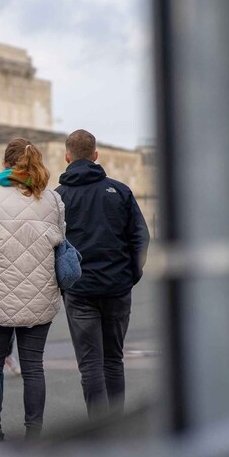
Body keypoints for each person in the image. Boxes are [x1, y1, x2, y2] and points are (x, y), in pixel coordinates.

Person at [0, 140, 66, 443]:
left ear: (5, 162)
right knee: (33, 366)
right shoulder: (51, 199)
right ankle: (34, 433)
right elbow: (60, 238)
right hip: (40, 294)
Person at [56, 130, 149, 418]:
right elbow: (141, 238)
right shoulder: (119, 191)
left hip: (80, 290)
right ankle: (117, 424)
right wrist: (130, 275)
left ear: (67, 157)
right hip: (117, 288)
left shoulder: (57, 199)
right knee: (113, 360)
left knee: (90, 365)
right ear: (96, 155)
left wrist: (64, 284)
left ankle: (98, 428)